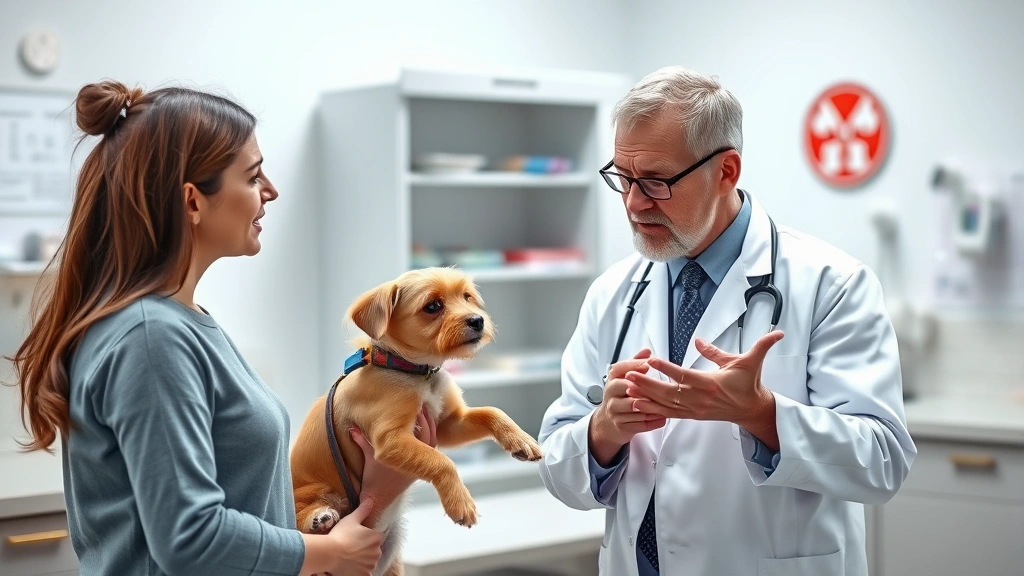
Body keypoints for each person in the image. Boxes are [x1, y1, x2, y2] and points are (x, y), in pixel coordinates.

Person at [8, 80, 434, 576]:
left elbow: (236, 509)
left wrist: (371, 493)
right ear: (192, 201)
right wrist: (326, 553)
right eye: (253, 178)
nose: (271, 191)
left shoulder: (178, 322)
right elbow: (190, 537)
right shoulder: (151, 337)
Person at [537, 66, 917, 576]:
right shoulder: (614, 293)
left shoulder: (832, 283)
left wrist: (762, 415)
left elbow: (883, 462)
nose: (633, 202)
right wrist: (603, 432)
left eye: (654, 181)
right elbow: (556, 464)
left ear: (726, 172)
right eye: (622, 179)